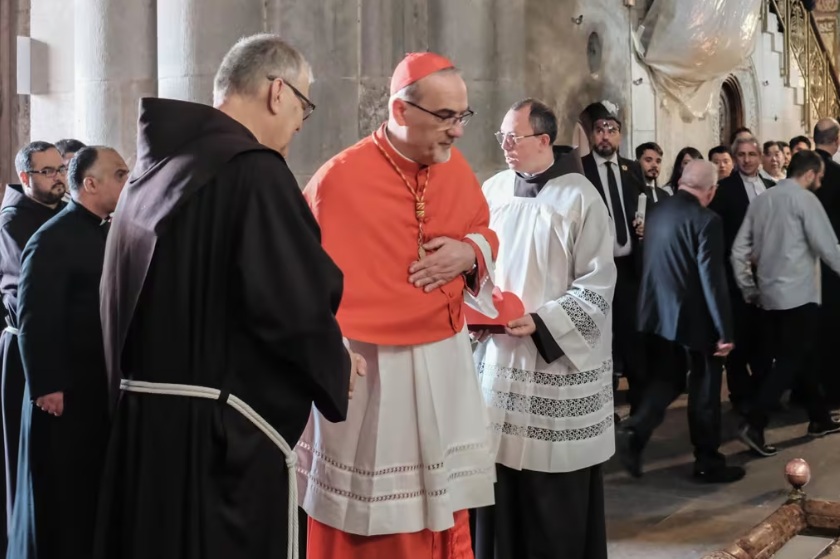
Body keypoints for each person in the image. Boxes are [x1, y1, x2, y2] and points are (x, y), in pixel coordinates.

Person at [93, 34, 353, 559]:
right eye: (304, 105)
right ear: (277, 92)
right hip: (214, 443)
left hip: (143, 432)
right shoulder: (253, 172)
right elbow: (293, 304)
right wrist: (334, 360)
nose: (301, 123)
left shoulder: (150, 176)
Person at [297, 52, 498, 559]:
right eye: (446, 117)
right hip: (373, 367)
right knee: (373, 512)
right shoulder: (338, 179)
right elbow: (299, 281)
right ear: (402, 111)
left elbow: (485, 230)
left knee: (445, 502)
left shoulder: (458, 170)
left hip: (444, 357)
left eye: (463, 116)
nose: (458, 132)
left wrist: (470, 252)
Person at [473, 98, 616, 559]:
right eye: (501, 137)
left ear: (543, 140)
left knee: (550, 490)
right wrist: (476, 315)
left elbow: (597, 286)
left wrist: (541, 322)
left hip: (553, 368)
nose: (506, 146)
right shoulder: (492, 190)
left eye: (513, 137)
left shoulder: (579, 197)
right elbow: (476, 267)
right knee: (498, 477)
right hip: (498, 362)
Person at [8, 146, 128, 559]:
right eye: (119, 173)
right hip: (59, 396)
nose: (127, 180)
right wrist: (47, 385)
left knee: (83, 491)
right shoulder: (52, 237)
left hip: (92, 388)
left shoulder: (103, 229)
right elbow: (34, 316)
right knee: (57, 492)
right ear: (91, 184)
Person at [617, 160, 745, 484]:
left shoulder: (659, 210)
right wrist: (725, 331)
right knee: (705, 390)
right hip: (693, 318)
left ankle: (637, 427)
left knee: (669, 379)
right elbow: (711, 278)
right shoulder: (707, 220)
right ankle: (707, 461)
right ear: (711, 190)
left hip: (656, 313)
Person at [731, 150, 840, 456]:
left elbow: (739, 250)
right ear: (810, 174)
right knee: (790, 360)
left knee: (801, 356)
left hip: (769, 297)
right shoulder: (806, 200)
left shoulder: (763, 199)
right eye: (819, 176)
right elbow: (829, 249)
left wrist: (748, 288)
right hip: (800, 297)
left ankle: (819, 418)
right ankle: (755, 421)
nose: (820, 181)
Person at [0, 142, 66, 543]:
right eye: (47, 172)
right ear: (26, 177)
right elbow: (30, 291)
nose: (58, 176)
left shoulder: (58, 214)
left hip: (51, 343)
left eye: (60, 169)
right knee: (23, 450)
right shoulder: (14, 221)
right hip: (24, 351)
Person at [581, 101, 646, 416]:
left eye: (612, 129)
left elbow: (642, 205)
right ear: (592, 135)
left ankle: (639, 404)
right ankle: (603, 407)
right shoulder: (580, 168)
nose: (606, 136)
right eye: (600, 129)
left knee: (632, 335)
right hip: (598, 268)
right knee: (601, 338)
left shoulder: (632, 168)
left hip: (630, 268)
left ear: (620, 135)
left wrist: (645, 225)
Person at [709, 136, 775, 413]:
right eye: (742, 155)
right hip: (737, 275)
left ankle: (763, 392)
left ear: (759, 156)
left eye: (752, 154)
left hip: (771, 275)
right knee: (740, 338)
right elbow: (717, 235)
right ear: (735, 158)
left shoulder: (772, 187)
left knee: (766, 336)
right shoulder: (723, 190)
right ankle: (741, 395)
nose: (747, 159)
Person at [813, 118, 840, 405]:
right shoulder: (836, 174)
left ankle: (806, 390)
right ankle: (831, 392)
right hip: (831, 264)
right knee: (831, 328)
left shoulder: (795, 173)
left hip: (798, 263)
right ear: (837, 140)